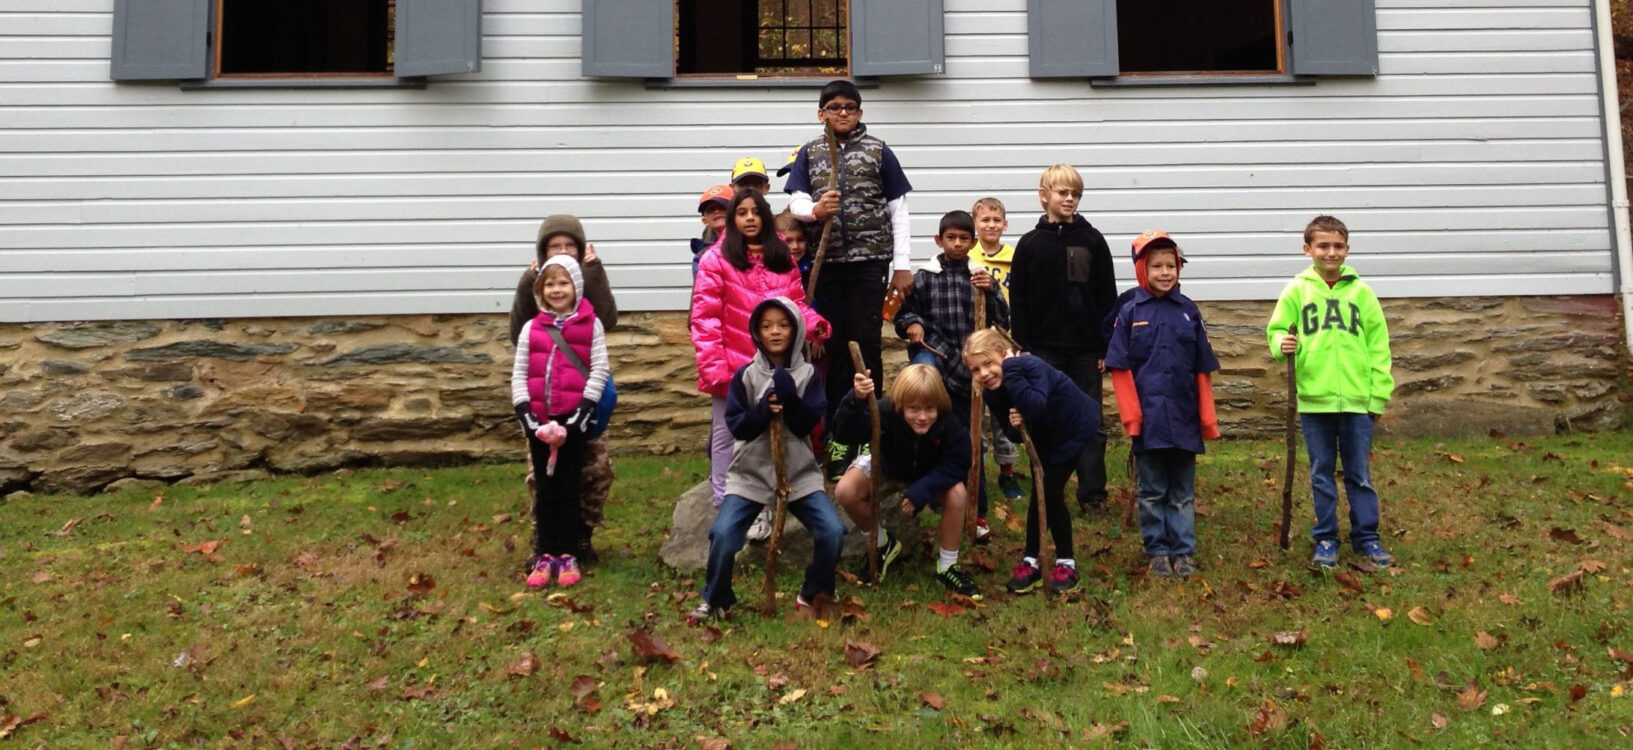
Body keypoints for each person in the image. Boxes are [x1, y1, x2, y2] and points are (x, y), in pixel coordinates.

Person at [783, 79, 915, 476]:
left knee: (866, 344)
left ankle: (868, 435)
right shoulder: (810, 153)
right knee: (836, 346)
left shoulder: (878, 151)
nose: (842, 113)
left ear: (859, 112)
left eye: (850, 107)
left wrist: (903, 264)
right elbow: (796, 199)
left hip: (868, 262)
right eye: (834, 107)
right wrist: (816, 211)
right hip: (829, 265)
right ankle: (840, 438)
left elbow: (899, 209)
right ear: (821, 112)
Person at [687, 298, 844, 623]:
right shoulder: (745, 375)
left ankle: (814, 591)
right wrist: (761, 410)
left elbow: (807, 425)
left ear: (796, 329)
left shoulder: (808, 376)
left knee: (832, 531)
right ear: (757, 331)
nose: (775, 332)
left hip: (798, 473)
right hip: (750, 474)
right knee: (724, 534)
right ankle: (717, 599)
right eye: (767, 325)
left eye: (783, 325)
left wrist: (790, 400)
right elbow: (737, 425)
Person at [692, 188, 831, 530]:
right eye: (742, 213)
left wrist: (814, 324)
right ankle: (727, 504)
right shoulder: (716, 259)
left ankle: (768, 500)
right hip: (732, 365)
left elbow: (794, 302)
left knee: (775, 433)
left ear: (765, 216)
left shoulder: (780, 255)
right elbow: (705, 318)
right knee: (728, 436)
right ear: (733, 219)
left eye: (756, 212)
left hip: (776, 364)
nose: (750, 218)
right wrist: (714, 367)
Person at [1266, 215, 1396, 569]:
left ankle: (1367, 538)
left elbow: (1379, 347)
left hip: (1357, 401)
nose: (1331, 252)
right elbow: (1276, 330)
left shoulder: (1362, 293)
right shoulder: (1297, 291)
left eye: (1338, 246)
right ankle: (1325, 537)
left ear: (1347, 249)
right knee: (1321, 472)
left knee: (1359, 474)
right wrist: (1283, 343)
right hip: (1314, 400)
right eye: (1323, 245)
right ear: (1307, 249)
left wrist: (1377, 395)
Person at [1105, 231, 1221, 579]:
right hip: (1150, 419)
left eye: (1171, 265)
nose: (1165, 272)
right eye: (1157, 266)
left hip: (1184, 417)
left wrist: (1207, 418)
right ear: (1142, 269)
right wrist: (1132, 418)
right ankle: (1157, 550)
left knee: (1183, 491)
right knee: (1153, 490)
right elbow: (1121, 370)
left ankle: (1183, 551)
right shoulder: (1130, 313)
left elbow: (1203, 370)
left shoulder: (1189, 312)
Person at [893, 210, 1009, 544]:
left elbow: (1000, 321)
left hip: (968, 372)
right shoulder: (926, 276)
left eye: (963, 239)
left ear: (973, 242)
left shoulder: (979, 277)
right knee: (929, 430)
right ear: (938, 240)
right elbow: (906, 314)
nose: (957, 244)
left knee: (971, 442)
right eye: (951, 238)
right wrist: (913, 324)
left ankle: (978, 510)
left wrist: (992, 292)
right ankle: (924, 494)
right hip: (937, 361)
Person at [508, 215, 618, 566]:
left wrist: (594, 271)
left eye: (570, 246)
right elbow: (520, 332)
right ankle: (544, 542)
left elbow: (607, 320)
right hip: (543, 406)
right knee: (542, 478)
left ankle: (579, 537)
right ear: (542, 253)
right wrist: (530, 280)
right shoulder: (539, 285)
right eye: (554, 247)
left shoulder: (587, 287)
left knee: (594, 471)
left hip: (582, 401)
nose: (563, 252)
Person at [1009, 164, 1116, 516]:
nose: (1069, 199)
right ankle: (1047, 489)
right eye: (1062, 193)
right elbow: (1019, 300)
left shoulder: (1092, 240)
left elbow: (1107, 297)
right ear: (1044, 196)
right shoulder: (1029, 244)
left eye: (1075, 194)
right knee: (1044, 418)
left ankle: (1093, 495)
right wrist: (1023, 346)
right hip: (1042, 350)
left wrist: (1105, 346)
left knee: (1090, 422)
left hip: (1085, 350)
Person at [963, 328, 1100, 595]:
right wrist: (1016, 425)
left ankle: (1066, 562)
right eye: (975, 370)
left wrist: (1012, 369)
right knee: (1042, 493)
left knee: (1049, 493)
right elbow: (1013, 432)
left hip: (1073, 429)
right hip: (1046, 436)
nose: (984, 374)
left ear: (1005, 355)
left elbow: (1035, 404)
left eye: (989, 363)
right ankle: (1032, 559)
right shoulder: (992, 391)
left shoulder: (1029, 366)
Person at [831, 364, 979, 598]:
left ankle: (948, 565)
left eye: (930, 408)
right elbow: (844, 433)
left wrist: (922, 491)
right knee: (845, 491)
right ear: (899, 406)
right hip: (888, 465)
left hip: (930, 473)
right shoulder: (884, 411)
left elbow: (958, 463)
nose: (922, 417)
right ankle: (883, 543)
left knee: (957, 494)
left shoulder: (950, 423)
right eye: (913, 409)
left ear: (939, 405)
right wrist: (855, 401)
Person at [969, 196, 1025, 501]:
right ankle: (975, 468)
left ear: (1005, 224)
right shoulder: (968, 256)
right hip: (975, 344)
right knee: (975, 410)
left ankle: (1007, 473)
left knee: (1004, 409)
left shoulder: (1015, 258)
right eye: (984, 220)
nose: (991, 225)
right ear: (975, 224)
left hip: (1005, 341)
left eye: (996, 220)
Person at [691, 184, 733, 278]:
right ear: (705, 220)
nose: (717, 211)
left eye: (723, 207)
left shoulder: (753, 247)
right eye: (711, 209)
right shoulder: (701, 257)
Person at [775, 209, 814, 291]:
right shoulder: (770, 270)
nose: (795, 246)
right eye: (788, 241)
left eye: (800, 240)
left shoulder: (811, 269)